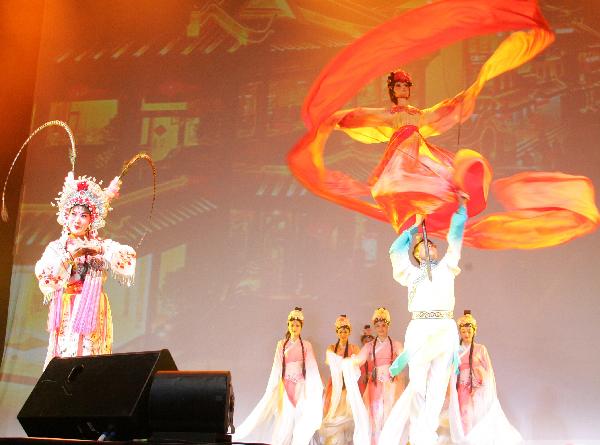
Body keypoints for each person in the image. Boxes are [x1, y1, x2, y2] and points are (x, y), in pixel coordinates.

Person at [381, 192, 467, 445]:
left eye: (432, 244)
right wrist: (415, 226)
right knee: (419, 386)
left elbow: (455, 239)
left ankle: (426, 438)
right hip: (420, 328)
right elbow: (395, 250)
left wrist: (461, 209)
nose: (431, 246)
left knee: (438, 387)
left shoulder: (448, 267)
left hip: (444, 328)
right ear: (417, 254)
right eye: (425, 245)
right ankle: (418, 436)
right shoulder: (409, 272)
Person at [35, 172, 136, 368]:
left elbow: (127, 257)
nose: (77, 220)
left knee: (90, 353)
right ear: (66, 216)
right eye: (74, 214)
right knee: (64, 353)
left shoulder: (101, 245)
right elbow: (46, 276)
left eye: (84, 215)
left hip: (93, 306)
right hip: (66, 307)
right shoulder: (58, 247)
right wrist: (71, 255)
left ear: (92, 219)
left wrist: (99, 249)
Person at [235, 307, 323, 445]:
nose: (294, 327)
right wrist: (272, 387)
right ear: (288, 325)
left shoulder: (306, 345)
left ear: (301, 327)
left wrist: (315, 387)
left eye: (297, 325)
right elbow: (277, 366)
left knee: (302, 419)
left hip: (301, 386)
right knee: (285, 420)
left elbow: (311, 367)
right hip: (286, 386)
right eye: (292, 325)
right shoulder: (281, 344)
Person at [454, 311, 522, 444]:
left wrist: (482, 380)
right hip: (463, 387)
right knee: (465, 415)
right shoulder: (456, 350)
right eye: (463, 331)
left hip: (479, 388)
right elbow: (452, 371)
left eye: (469, 331)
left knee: (479, 416)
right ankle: (466, 441)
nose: (466, 334)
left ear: (474, 332)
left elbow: (489, 371)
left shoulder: (481, 349)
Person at [341, 308, 405, 445]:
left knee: (390, 414)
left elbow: (404, 356)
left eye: (383, 325)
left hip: (392, 384)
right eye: (377, 326)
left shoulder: (395, 344)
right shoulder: (370, 346)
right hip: (375, 385)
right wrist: (348, 362)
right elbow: (359, 360)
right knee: (375, 414)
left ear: (388, 325)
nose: (381, 328)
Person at [320, 315, 361, 445]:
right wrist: (345, 363)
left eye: (345, 331)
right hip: (336, 386)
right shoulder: (332, 348)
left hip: (350, 387)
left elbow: (357, 364)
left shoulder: (354, 348)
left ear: (349, 331)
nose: (343, 334)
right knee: (334, 414)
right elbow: (330, 359)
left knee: (349, 415)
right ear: (337, 332)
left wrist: (348, 364)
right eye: (340, 331)